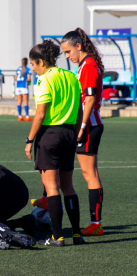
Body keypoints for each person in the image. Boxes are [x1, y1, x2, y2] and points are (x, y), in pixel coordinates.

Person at [24, 40, 84, 247]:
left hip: (49, 135)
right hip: (69, 133)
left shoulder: (43, 80)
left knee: (51, 188)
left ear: (41, 61)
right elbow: (80, 110)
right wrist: (74, 134)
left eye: (33, 64)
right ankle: (77, 234)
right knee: (68, 186)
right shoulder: (71, 76)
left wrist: (29, 140)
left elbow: (41, 113)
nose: (33, 69)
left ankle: (57, 237)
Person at [61, 28, 105, 236]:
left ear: (78, 46)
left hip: (89, 126)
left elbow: (89, 99)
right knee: (89, 174)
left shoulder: (88, 66)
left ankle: (96, 223)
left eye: (68, 52)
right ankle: (95, 222)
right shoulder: (86, 65)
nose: (67, 57)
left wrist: (82, 126)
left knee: (90, 175)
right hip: (89, 124)